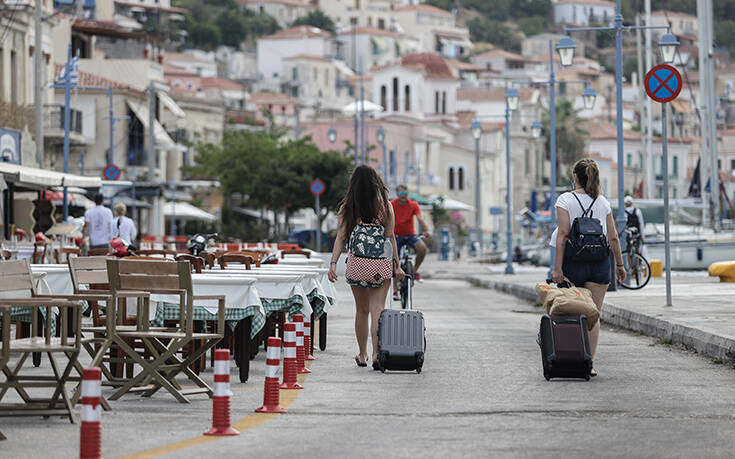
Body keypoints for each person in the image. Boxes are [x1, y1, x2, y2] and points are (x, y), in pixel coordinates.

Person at [550, 159, 626, 377]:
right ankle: (588, 363)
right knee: (593, 315)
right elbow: (612, 237)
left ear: (575, 177)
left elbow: (563, 234)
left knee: (568, 313)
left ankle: (569, 357)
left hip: (573, 263)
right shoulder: (602, 202)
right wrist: (619, 265)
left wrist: (557, 269)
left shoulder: (565, 199)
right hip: (599, 263)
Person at [328, 166, 405, 369]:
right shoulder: (386, 206)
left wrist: (333, 264)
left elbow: (341, 237)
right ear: (375, 183)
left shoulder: (348, 207)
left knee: (361, 311)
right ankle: (376, 354)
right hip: (380, 264)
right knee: (377, 308)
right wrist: (397, 265)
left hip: (357, 265)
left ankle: (362, 354)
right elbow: (390, 238)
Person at [390, 184, 430, 288]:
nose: (403, 195)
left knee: (422, 248)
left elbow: (420, 219)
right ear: (397, 194)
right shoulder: (391, 204)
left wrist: (426, 230)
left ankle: (414, 271)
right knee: (395, 261)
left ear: (408, 193)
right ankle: (394, 289)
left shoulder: (413, 205)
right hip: (396, 236)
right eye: (400, 193)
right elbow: (387, 219)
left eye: (405, 192)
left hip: (410, 235)